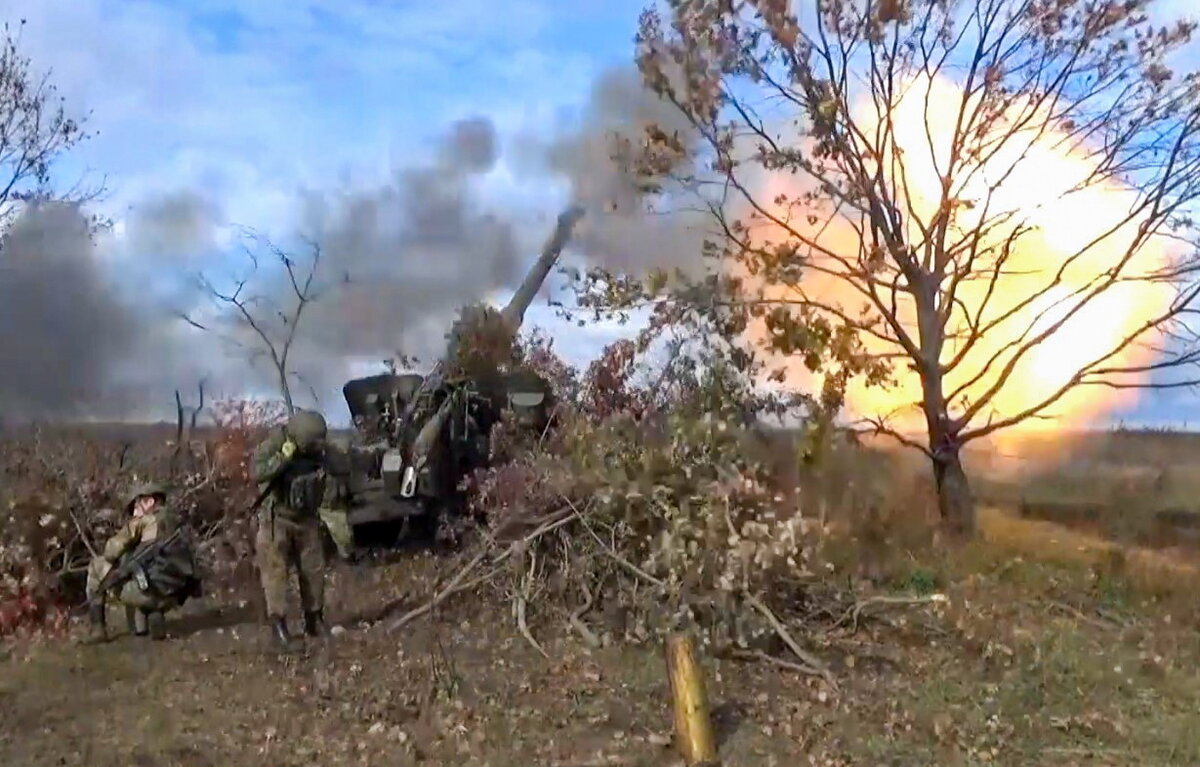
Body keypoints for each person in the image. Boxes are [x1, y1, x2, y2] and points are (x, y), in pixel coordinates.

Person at [253, 408, 342, 650]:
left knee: (313, 569)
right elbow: (257, 472)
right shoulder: (274, 443)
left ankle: (314, 620)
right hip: (276, 519)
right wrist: (283, 458)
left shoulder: (318, 451)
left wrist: (330, 455)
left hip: (306, 518)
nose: (316, 447)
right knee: (275, 575)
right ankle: (278, 627)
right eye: (312, 443)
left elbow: (340, 466)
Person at [82, 482, 200, 644]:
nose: (134, 509)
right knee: (136, 564)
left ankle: (98, 630)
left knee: (98, 566)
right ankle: (151, 616)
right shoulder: (178, 522)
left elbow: (111, 551)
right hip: (174, 595)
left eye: (137, 504)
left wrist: (131, 525)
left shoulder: (145, 520)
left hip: (149, 592)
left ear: (149, 502)